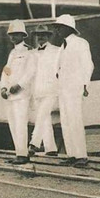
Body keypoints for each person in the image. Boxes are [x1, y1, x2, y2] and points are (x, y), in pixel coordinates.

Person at [55, 14, 94, 166]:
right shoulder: (62, 47)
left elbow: (88, 65)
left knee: (75, 121)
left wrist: (85, 85)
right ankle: (72, 154)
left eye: (59, 27)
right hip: (63, 89)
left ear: (68, 28)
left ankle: (81, 155)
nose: (57, 31)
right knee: (66, 121)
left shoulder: (80, 43)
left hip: (74, 88)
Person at [0, 19, 36, 165]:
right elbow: (6, 71)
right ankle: (18, 153)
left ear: (23, 35)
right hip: (10, 95)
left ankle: (23, 154)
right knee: (13, 124)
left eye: (16, 34)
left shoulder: (29, 51)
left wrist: (19, 85)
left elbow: (31, 72)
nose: (13, 37)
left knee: (21, 124)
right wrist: (3, 86)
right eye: (11, 35)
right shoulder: (12, 52)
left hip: (21, 94)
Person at [29, 24, 62, 157]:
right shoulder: (32, 53)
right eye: (38, 35)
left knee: (42, 115)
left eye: (43, 35)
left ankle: (33, 144)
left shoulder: (57, 51)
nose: (40, 37)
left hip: (51, 90)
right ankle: (51, 149)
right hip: (37, 90)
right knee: (44, 119)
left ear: (48, 36)